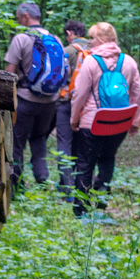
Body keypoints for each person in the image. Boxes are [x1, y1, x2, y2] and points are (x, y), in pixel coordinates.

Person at [70, 22, 140, 217]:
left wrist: (74, 119)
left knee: (85, 163)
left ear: (103, 39)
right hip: (120, 121)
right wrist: (135, 121)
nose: (89, 42)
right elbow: (137, 93)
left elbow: (80, 94)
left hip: (93, 122)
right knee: (108, 158)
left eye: (92, 38)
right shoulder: (128, 61)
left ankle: (81, 208)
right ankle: (101, 195)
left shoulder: (91, 61)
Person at [4, 2, 60, 190]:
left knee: (17, 141)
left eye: (19, 17)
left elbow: (9, 72)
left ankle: (16, 185)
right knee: (39, 137)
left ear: (26, 17)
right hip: (50, 101)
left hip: (25, 99)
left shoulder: (21, 39)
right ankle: (42, 178)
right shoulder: (56, 39)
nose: (18, 21)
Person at [55, 19, 89, 195]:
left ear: (69, 33)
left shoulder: (67, 51)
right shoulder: (95, 50)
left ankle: (66, 187)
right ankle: (81, 184)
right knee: (81, 145)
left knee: (64, 143)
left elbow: (59, 76)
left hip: (67, 102)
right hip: (88, 105)